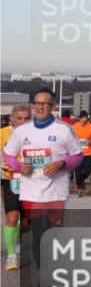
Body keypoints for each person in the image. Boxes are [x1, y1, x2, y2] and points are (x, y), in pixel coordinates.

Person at [2, 88, 83, 281]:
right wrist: (19, 166)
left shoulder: (64, 130)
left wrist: (62, 164)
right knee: (39, 230)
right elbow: (9, 155)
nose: (39, 106)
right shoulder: (22, 131)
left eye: (44, 103)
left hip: (57, 190)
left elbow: (77, 156)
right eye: (37, 103)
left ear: (53, 107)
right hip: (31, 190)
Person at [1, 104, 30, 270]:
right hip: (9, 179)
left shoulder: (37, 134)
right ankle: (11, 257)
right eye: (20, 118)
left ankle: (18, 234)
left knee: (27, 224)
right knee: (12, 216)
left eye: (27, 118)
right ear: (12, 118)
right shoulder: (3, 133)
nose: (23, 121)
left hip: (32, 181)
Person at [72, 110, 91, 197]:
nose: (84, 119)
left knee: (87, 172)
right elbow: (70, 139)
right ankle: (79, 190)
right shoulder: (74, 127)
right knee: (78, 173)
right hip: (77, 153)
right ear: (80, 118)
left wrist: (90, 142)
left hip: (87, 153)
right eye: (83, 117)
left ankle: (81, 180)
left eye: (86, 117)